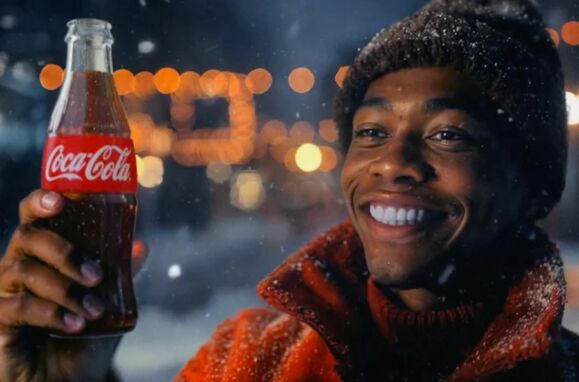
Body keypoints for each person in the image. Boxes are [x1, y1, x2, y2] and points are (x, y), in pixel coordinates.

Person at [0, 0, 578, 380]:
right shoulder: (249, 360)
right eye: (371, 131)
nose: (392, 163)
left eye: (448, 134)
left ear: (532, 186)